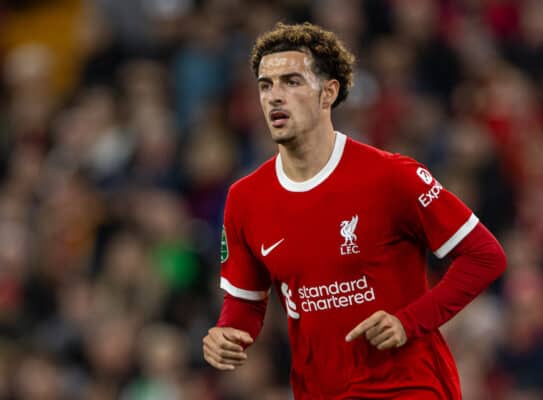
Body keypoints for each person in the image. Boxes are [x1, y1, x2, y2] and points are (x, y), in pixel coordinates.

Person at [202, 22, 507, 399]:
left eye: (292, 82)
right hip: (320, 389)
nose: (275, 96)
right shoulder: (245, 198)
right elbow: (245, 302)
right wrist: (227, 333)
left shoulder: (390, 175)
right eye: (266, 85)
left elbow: (484, 255)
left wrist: (408, 322)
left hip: (407, 387)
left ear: (328, 92)